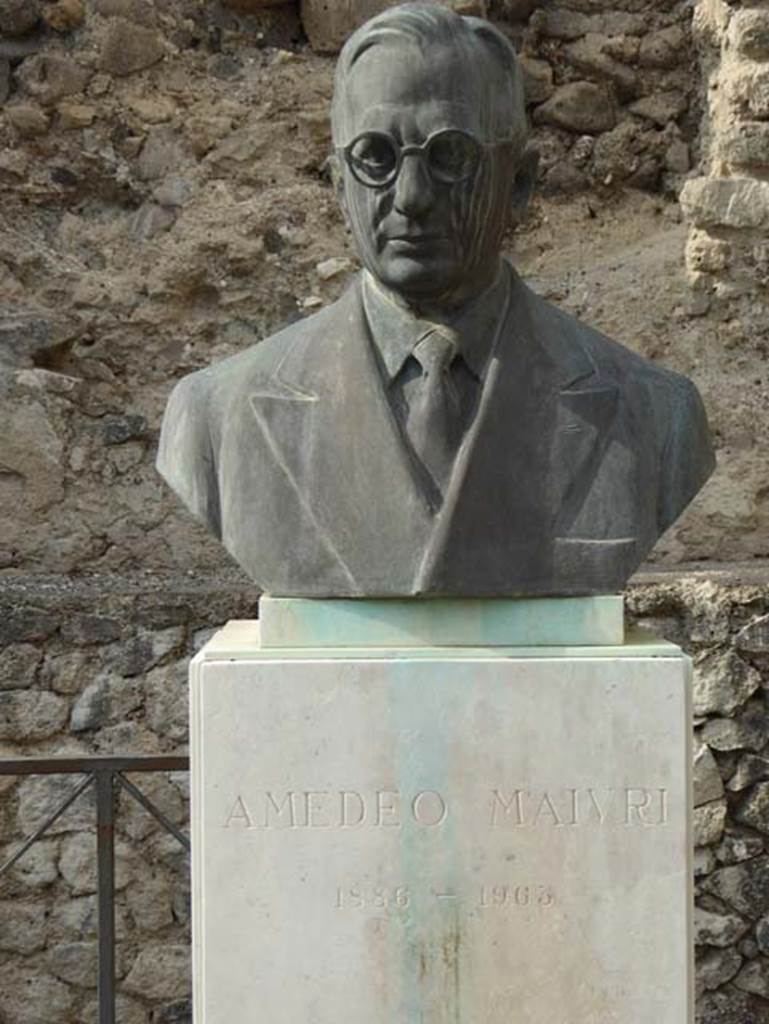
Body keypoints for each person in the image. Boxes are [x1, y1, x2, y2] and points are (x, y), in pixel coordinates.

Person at [157, 2, 714, 597]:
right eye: (375, 157)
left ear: (520, 183)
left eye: (451, 156)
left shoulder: (657, 416)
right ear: (338, 185)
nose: (413, 196)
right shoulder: (212, 418)